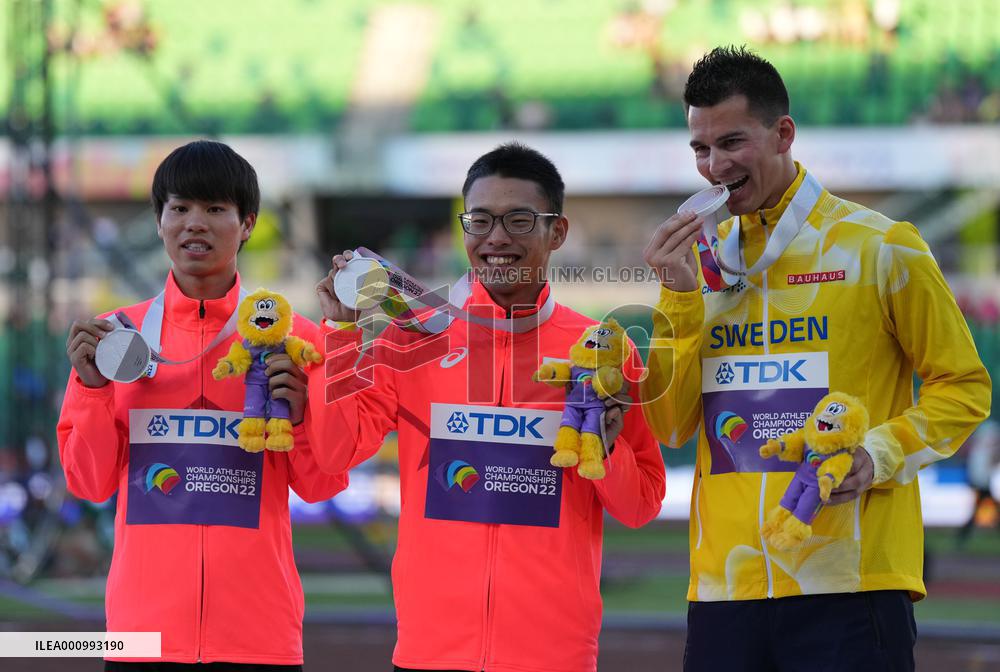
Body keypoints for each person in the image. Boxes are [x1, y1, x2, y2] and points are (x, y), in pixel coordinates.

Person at [640, 46, 991, 671]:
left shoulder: (883, 248)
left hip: (849, 580)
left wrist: (875, 455)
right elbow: (668, 425)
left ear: (784, 133)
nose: (714, 166)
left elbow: (964, 388)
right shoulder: (694, 263)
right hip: (725, 584)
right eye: (700, 148)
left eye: (731, 143)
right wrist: (677, 298)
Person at [309, 142, 666, 672]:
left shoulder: (601, 349)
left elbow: (641, 505)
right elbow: (336, 452)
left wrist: (604, 448)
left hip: (555, 655)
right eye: (480, 220)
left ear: (557, 232)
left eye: (520, 220)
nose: (496, 238)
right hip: (431, 651)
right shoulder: (414, 339)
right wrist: (340, 334)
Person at [57, 140, 345, 669]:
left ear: (248, 224)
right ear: (158, 220)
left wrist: (303, 417)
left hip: (260, 636)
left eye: (216, 209)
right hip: (141, 636)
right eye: (180, 207)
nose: (196, 223)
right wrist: (94, 389)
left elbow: (322, 482)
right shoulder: (115, 341)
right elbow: (88, 483)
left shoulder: (294, 339)